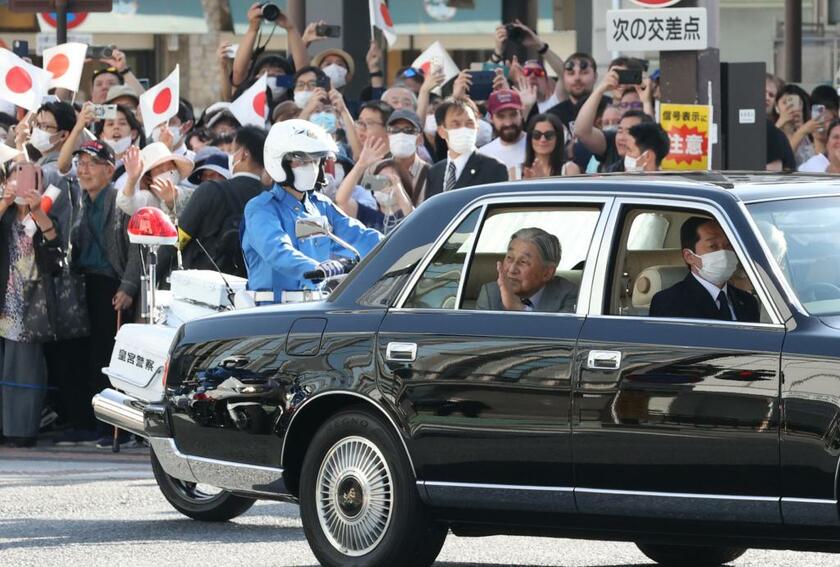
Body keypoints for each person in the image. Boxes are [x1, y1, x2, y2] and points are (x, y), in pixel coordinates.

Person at [54, 141, 141, 446]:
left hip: (110, 284)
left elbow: (136, 248)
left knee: (105, 358)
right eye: (80, 163)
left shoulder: (120, 199)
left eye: (92, 163)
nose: (84, 169)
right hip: (81, 285)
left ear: (109, 169)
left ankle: (112, 427)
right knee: (77, 355)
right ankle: (84, 423)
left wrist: (128, 287)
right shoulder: (79, 199)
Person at [241, 119, 382, 304]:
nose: (311, 167)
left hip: (314, 308)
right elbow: (277, 250)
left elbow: (360, 236)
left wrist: (404, 245)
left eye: (315, 161)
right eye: (302, 161)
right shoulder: (262, 208)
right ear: (279, 162)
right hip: (271, 311)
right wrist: (317, 268)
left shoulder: (321, 205)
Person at [0, 153, 62, 447]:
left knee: (24, 367)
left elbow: (57, 255)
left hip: (31, 303)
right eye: (16, 175)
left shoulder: (46, 214)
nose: (21, 183)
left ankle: (22, 430)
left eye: (29, 178)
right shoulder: (4, 215)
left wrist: (39, 214)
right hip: (4, 299)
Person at [177, 126, 267, 276]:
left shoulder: (210, 190)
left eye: (232, 151)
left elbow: (179, 238)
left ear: (244, 155)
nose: (230, 156)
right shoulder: (272, 197)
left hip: (207, 286)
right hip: (255, 287)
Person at [650, 217, 759, 322]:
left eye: (728, 245)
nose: (724, 253)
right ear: (689, 256)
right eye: (713, 246)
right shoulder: (669, 302)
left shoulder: (748, 301)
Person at [476, 227, 577, 313]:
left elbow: (558, 333)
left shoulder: (569, 295)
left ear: (547, 273)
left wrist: (519, 309)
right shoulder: (491, 294)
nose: (511, 270)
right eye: (509, 258)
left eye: (523, 262)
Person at [425, 98, 508, 199]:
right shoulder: (435, 172)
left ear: (477, 127)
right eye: (456, 124)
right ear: (442, 131)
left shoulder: (494, 167)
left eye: (469, 123)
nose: (464, 129)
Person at [335, 137, 415, 234]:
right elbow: (341, 200)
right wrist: (361, 164)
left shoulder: (410, 212)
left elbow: (411, 215)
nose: (385, 187)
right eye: (379, 180)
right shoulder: (368, 215)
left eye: (389, 181)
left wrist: (398, 188)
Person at [117, 142, 194, 219]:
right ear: (148, 178)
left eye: (170, 166)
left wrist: (171, 201)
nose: (167, 171)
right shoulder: (149, 199)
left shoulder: (190, 193)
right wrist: (132, 180)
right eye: (160, 169)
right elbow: (126, 203)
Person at [385, 109, 431, 204]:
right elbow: (370, 203)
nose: (401, 134)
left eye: (409, 130)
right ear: (388, 135)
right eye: (395, 130)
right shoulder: (378, 169)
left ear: (420, 138)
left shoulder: (431, 174)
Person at [478, 89, 527, 178]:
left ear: (521, 114)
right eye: (501, 116)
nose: (508, 123)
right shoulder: (483, 155)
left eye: (513, 115)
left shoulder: (540, 146)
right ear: (491, 118)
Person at [522, 113, 566, 178]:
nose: (542, 140)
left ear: (558, 138)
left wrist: (541, 179)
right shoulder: (515, 171)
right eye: (536, 134)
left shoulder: (568, 169)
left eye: (549, 135)